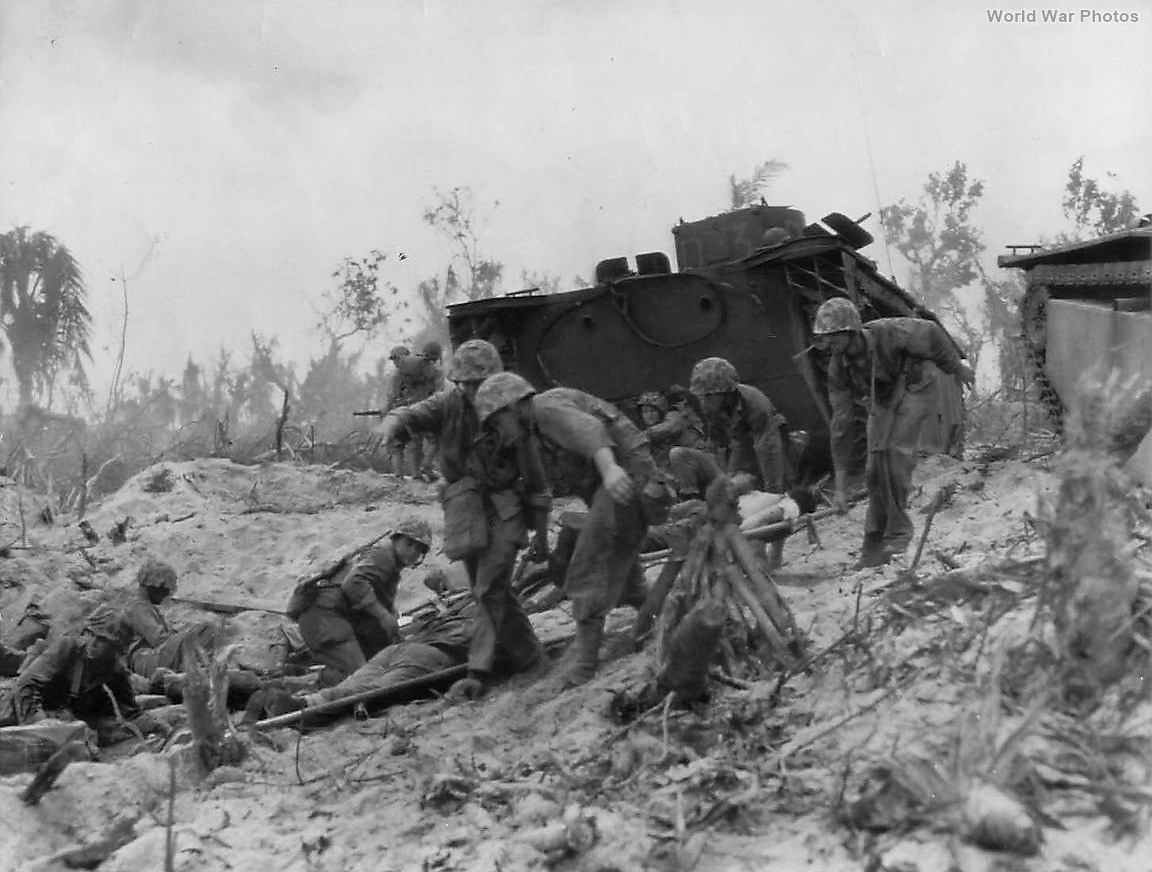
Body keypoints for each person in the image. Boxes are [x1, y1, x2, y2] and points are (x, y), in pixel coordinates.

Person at [375, 340, 550, 702]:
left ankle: (478, 671)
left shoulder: (513, 411)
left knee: (489, 588)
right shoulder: (449, 404)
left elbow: (537, 481)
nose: (471, 391)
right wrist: (390, 423)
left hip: (507, 508)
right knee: (492, 590)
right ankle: (532, 661)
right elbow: (413, 413)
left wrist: (543, 534)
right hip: (464, 508)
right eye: (465, 383)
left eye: (478, 383)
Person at [474, 372, 672, 686]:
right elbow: (538, 487)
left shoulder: (545, 408)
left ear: (514, 408)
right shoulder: (532, 431)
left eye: (498, 423)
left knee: (588, 565)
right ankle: (669, 619)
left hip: (625, 478)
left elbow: (589, 430)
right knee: (625, 576)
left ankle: (586, 664)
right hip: (611, 485)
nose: (499, 433)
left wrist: (609, 469)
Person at [811, 297, 975, 567]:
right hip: (884, 397)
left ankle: (899, 534)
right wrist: (840, 489)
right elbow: (841, 427)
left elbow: (931, 332)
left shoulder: (891, 331)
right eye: (824, 338)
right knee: (875, 467)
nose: (828, 345)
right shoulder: (838, 367)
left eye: (833, 337)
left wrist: (956, 368)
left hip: (916, 385)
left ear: (851, 331)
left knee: (896, 453)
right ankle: (873, 543)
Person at [668, 357, 792, 566]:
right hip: (740, 444)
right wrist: (725, 481)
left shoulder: (755, 403)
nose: (704, 402)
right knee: (734, 494)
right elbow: (717, 443)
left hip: (771, 442)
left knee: (776, 497)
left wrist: (772, 489)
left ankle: (775, 553)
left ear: (725, 392)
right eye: (702, 397)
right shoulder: (711, 407)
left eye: (709, 397)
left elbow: (768, 449)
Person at [296, 516, 433, 687]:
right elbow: (353, 583)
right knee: (361, 679)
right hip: (325, 620)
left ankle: (305, 682)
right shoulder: (383, 556)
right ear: (396, 540)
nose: (413, 552)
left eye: (419, 549)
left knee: (372, 665)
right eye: (409, 544)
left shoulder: (388, 561)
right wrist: (383, 615)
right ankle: (293, 687)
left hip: (330, 619)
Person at [9, 609, 163, 745]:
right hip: (21, 709)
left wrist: (159, 727)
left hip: (63, 718)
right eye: (92, 635)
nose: (94, 643)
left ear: (117, 648)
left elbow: (130, 713)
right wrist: (40, 726)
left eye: (103, 640)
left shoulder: (115, 670)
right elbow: (26, 685)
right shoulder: (68, 647)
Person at [119, 558, 219, 679]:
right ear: (153, 587)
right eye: (164, 590)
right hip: (145, 660)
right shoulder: (137, 608)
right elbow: (159, 639)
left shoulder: (145, 607)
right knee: (205, 629)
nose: (166, 594)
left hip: (150, 659)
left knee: (199, 633)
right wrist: (183, 634)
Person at [636, 390, 706, 476]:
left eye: (652, 411)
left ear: (660, 411)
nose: (649, 415)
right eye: (645, 412)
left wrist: (643, 436)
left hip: (698, 462)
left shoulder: (674, 416)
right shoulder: (652, 436)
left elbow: (670, 427)